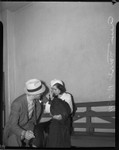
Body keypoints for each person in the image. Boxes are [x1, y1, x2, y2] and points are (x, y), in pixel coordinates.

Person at [3, 79, 46, 147]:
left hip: (27, 125)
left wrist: (30, 129)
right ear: (34, 94)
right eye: (40, 92)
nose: (42, 93)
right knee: (14, 141)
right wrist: (24, 133)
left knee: (39, 134)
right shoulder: (17, 104)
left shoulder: (37, 102)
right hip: (14, 129)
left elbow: (33, 120)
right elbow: (12, 125)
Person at [44, 79, 76, 147]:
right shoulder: (52, 97)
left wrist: (60, 115)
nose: (53, 91)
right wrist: (50, 100)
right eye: (52, 89)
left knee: (63, 139)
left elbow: (70, 110)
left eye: (55, 89)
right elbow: (47, 110)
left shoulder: (67, 96)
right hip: (55, 120)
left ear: (60, 88)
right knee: (54, 136)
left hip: (65, 120)